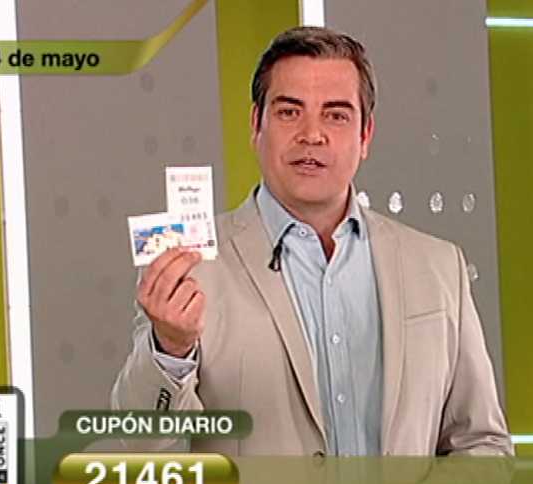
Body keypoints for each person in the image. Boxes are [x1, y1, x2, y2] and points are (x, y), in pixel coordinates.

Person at [112, 26, 512, 458]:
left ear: (365, 136)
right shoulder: (190, 269)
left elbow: (482, 444)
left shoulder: (438, 267)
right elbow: (144, 446)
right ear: (256, 125)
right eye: (289, 112)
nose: (312, 135)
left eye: (336, 115)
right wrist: (171, 348)